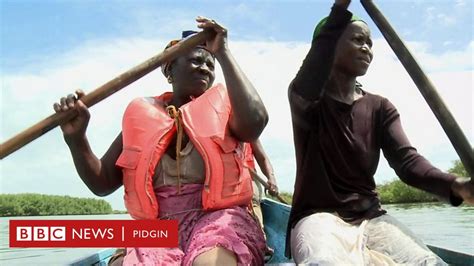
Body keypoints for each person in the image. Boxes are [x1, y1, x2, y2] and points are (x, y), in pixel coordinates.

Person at [54, 16, 268, 265]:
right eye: (195, 60)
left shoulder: (228, 112)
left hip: (218, 218)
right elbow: (102, 184)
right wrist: (76, 139)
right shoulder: (143, 118)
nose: (204, 68)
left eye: (211, 64)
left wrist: (223, 53)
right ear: (170, 70)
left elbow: (256, 123)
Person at [286, 0, 474, 264]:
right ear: (329, 45)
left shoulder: (380, 107)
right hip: (318, 216)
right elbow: (311, 71)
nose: (366, 48)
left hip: (371, 216)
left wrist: (457, 186)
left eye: (370, 43)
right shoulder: (305, 99)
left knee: (429, 262)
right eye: (357, 40)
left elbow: (408, 163)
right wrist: (340, 9)